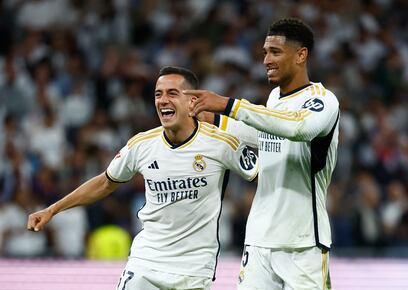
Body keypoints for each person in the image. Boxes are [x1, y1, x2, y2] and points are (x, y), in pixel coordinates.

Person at [27, 66, 258, 290]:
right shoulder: (142, 145)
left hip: (194, 269)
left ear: (192, 102)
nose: (163, 100)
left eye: (172, 93)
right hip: (146, 262)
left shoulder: (221, 143)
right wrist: (52, 209)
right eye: (158, 94)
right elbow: (105, 182)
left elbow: (263, 174)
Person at [184, 18, 339, 290]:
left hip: (302, 243)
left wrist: (229, 105)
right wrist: (215, 119)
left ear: (301, 55)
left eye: (275, 52)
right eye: (265, 52)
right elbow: (268, 135)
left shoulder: (323, 100)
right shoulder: (274, 100)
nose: (266, 59)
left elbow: (298, 127)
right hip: (258, 239)